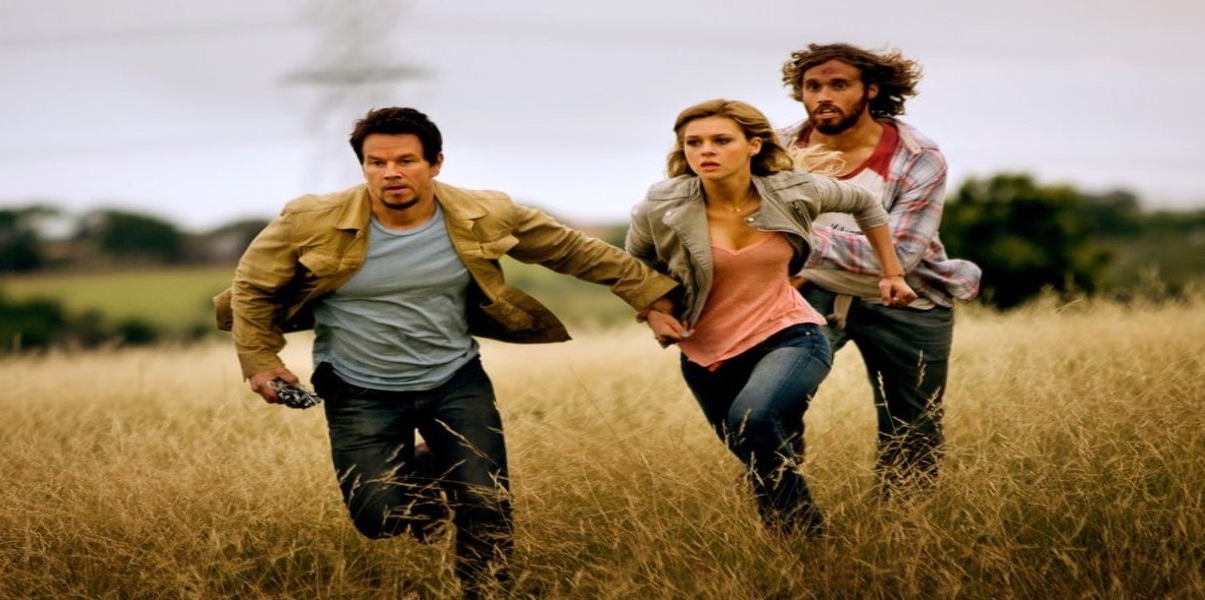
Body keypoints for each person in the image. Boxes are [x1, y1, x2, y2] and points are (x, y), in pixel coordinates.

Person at [215, 107, 679, 596]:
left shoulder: (483, 213)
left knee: (485, 502)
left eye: (405, 161)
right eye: (376, 163)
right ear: (363, 166)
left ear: (435, 163)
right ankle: (428, 463)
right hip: (357, 386)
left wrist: (648, 296)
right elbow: (252, 287)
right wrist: (261, 361)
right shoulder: (310, 219)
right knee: (380, 518)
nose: (390, 173)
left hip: (455, 379)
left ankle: (487, 592)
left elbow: (571, 249)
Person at [625, 99, 917, 535]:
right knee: (758, 452)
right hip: (706, 355)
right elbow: (637, 267)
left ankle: (811, 539)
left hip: (790, 335)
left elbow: (866, 204)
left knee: (752, 419)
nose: (706, 151)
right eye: (694, 142)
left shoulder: (793, 190)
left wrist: (891, 273)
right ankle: (791, 547)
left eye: (721, 140)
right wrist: (654, 311)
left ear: (753, 145)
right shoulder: (662, 205)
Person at [777, 43, 981, 496]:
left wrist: (801, 243)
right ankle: (779, 504)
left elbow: (899, 255)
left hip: (907, 297)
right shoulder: (776, 148)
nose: (823, 96)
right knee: (771, 401)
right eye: (812, 86)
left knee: (914, 427)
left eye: (839, 85)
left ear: (871, 90)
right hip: (806, 293)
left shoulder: (917, 157)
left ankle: (901, 526)